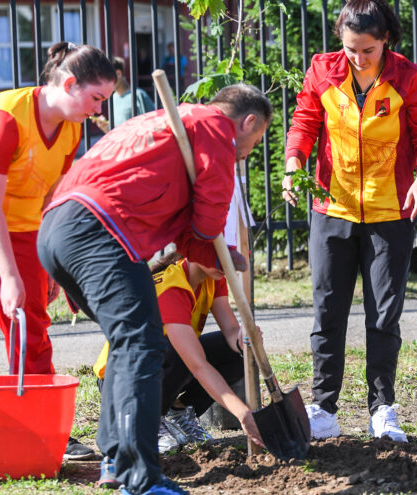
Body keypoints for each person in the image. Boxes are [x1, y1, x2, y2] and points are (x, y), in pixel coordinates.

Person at [37, 83, 272, 495]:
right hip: (98, 231)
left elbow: (191, 236)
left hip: (59, 228)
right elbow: (211, 211)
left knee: (133, 340)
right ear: (249, 121)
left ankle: (114, 459)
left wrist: (220, 255)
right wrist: (217, 243)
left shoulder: (170, 125)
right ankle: (139, 476)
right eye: (256, 141)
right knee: (141, 344)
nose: (249, 151)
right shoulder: (215, 126)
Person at [283, 0, 417, 443]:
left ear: (385, 40)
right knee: (327, 310)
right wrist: (294, 162)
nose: (358, 58)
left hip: (391, 210)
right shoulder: (322, 70)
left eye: (367, 50)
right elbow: (305, 121)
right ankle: (323, 408)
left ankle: (383, 409)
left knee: (383, 314)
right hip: (332, 208)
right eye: (351, 48)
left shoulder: (409, 77)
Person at [0, 41, 116, 461]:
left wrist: (50, 267)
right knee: (16, 301)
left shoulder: (71, 128)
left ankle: (35, 426)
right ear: (68, 82)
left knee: (30, 327)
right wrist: (8, 275)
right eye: (96, 98)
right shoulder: (6, 118)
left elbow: (53, 200)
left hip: (23, 230)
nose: (99, 110)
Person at [91, 253, 259, 487]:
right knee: (182, 353)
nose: (227, 264)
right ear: (195, 248)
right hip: (121, 382)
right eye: (219, 253)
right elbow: (197, 365)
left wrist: (243, 338)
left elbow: (230, 330)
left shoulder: (214, 276)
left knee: (235, 353)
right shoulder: (172, 287)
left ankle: (179, 413)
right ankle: (151, 421)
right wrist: (242, 412)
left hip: (164, 364)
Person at [91, 56, 156, 132]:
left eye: (106, 78)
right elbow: (117, 134)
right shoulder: (113, 98)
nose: (104, 83)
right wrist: (106, 127)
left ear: (118, 74)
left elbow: (153, 125)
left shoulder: (139, 95)